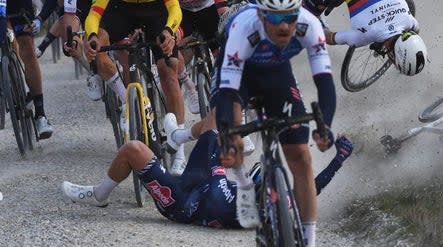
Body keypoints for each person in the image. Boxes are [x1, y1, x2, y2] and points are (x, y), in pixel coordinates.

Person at [167, 0, 337, 245]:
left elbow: (325, 82)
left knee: (302, 158)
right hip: (238, 75)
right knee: (231, 136)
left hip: (277, 74)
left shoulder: (309, 25)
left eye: (290, 17)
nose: (284, 26)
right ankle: (244, 187)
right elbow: (228, 90)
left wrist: (324, 124)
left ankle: (309, 239)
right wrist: (229, 134)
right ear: (261, 15)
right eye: (275, 18)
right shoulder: (243, 28)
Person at [60, 122, 353, 231]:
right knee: (216, 124)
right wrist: (339, 158)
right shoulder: (277, 201)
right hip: (204, 179)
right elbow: (312, 189)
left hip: (183, 202)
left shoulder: (242, 209)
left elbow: (217, 185)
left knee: (133, 149)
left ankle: (99, 194)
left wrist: (224, 158)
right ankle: (177, 141)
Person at [83, 0, 188, 175]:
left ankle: (180, 150)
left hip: (155, 9)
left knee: (169, 68)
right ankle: (124, 96)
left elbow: (173, 6)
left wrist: (168, 31)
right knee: (99, 44)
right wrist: (93, 37)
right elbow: (96, 12)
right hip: (123, 9)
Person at [0, 0, 58, 139]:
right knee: (5, 31)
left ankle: (41, 114)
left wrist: (40, 19)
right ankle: (5, 71)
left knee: (28, 50)